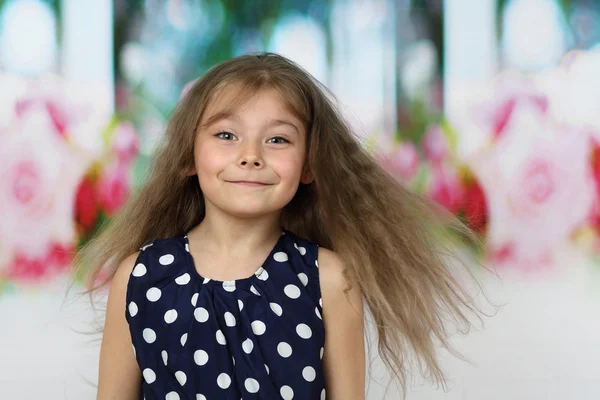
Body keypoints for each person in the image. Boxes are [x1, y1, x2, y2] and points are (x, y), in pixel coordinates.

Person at [79, 52, 482, 400]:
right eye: (226, 135)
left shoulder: (329, 279)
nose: (250, 155)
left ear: (309, 165)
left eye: (277, 140)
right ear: (188, 155)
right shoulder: (141, 277)